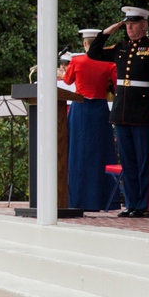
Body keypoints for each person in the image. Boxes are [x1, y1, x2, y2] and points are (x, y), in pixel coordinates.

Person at [87, 6, 149, 218]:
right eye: (127, 25)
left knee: (143, 160)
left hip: (143, 110)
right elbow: (93, 53)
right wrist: (107, 32)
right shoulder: (121, 47)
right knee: (128, 160)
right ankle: (131, 203)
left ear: (144, 25)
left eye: (133, 24)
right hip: (122, 109)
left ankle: (143, 206)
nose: (130, 28)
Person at [61, 28, 119, 211]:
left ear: (85, 43)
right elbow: (117, 85)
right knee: (100, 152)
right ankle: (102, 198)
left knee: (78, 152)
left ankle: (78, 199)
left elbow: (68, 81)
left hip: (80, 108)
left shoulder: (77, 61)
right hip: (100, 108)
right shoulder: (109, 64)